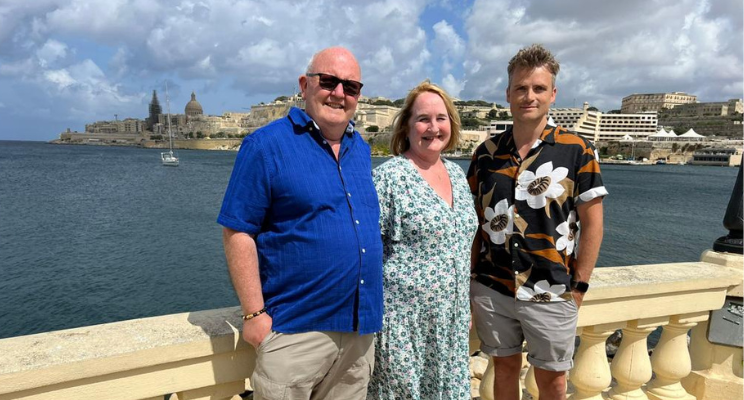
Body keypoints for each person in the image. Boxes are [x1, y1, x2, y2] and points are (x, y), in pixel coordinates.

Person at [217, 47, 383, 400]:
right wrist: (254, 314)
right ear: (305, 85)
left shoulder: (360, 149)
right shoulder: (265, 146)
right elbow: (238, 230)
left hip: (358, 331)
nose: (339, 93)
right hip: (294, 331)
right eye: (329, 81)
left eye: (351, 86)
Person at [467, 44, 607, 400]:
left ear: (553, 94)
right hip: (493, 288)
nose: (529, 96)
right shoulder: (486, 154)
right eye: (521, 88)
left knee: (553, 383)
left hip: (553, 289)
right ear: (508, 94)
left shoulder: (577, 150)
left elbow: (593, 224)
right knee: (503, 370)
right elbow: (473, 224)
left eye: (538, 88)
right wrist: (470, 281)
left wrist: (579, 287)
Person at [367, 81, 478, 400]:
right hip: (404, 328)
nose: (433, 127)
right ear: (406, 126)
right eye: (423, 119)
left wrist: (464, 302)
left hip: (452, 323)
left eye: (441, 118)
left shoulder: (457, 175)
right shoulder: (389, 178)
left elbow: (461, 244)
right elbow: (366, 253)